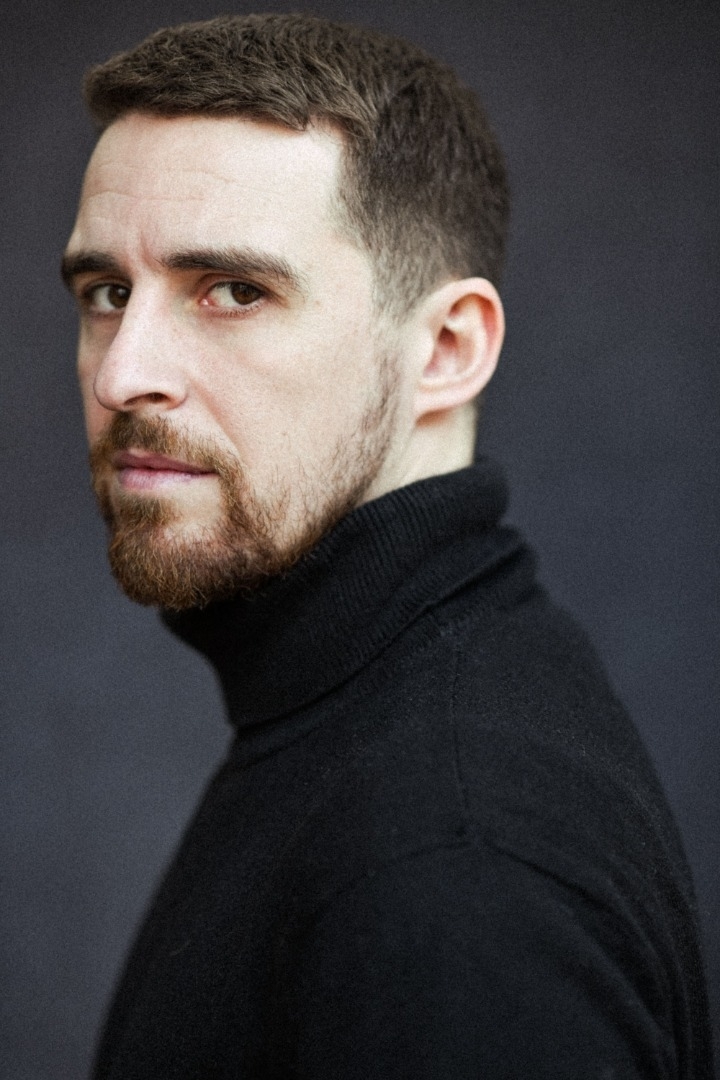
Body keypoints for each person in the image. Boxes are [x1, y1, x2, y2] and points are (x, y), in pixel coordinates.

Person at [62, 13, 713, 1079]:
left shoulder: (455, 867)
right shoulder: (367, 715)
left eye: (234, 291)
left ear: (447, 348)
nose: (123, 373)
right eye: (107, 293)